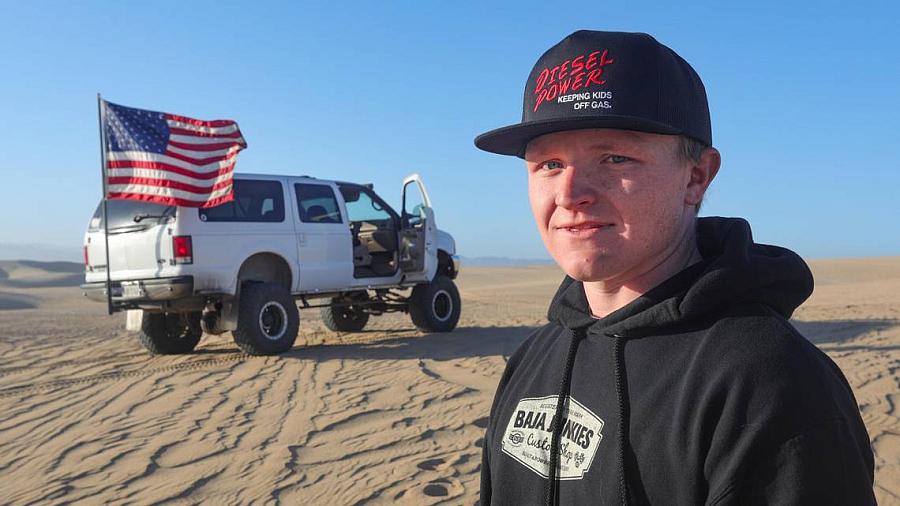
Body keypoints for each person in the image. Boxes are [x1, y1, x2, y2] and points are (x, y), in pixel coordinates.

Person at [473, 30, 875, 505]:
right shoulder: (535, 357)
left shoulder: (769, 383)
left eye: (614, 157)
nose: (570, 192)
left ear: (697, 176)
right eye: (549, 164)